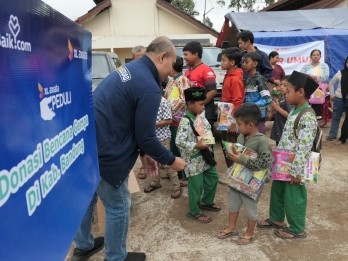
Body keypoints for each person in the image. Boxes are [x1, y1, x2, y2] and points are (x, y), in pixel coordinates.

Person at [71, 36, 186, 261]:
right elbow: (146, 136)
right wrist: (172, 160)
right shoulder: (150, 88)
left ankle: (83, 246)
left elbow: (132, 121)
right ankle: (115, 257)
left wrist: (144, 155)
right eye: (171, 66)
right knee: (118, 205)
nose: (171, 72)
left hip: (88, 144)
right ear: (162, 57)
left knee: (88, 196)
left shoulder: (130, 69)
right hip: (108, 151)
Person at [258, 70, 318, 240]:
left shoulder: (307, 115)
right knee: (278, 191)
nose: (285, 92)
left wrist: (297, 172)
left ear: (301, 92)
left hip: (294, 166)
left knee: (294, 196)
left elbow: (304, 147)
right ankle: (276, 219)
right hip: (283, 162)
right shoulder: (295, 110)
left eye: (289, 90)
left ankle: (297, 228)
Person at [216, 103, 273, 244]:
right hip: (237, 178)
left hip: (251, 183)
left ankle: (250, 232)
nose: (237, 126)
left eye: (239, 124)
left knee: (250, 207)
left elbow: (266, 162)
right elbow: (241, 153)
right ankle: (231, 227)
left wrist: (242, 159)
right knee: (233, 202)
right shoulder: (242, 136)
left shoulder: (262, 141)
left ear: (250, 125)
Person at [176, 87, 221, 224]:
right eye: (200, 104)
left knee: (213, 177)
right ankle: (194, 211)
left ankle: (206, 201)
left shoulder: (200, 116)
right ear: (190, 104)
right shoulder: (185, 121)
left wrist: (208, 144)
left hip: (205, 157)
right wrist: (196, 145)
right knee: (196, 186)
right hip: (192, 160)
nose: (203, 106)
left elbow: (208, 131)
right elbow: (179, 141)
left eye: (204, 103)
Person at [143, 96, 182, 198]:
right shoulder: (146, 100)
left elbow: (169, 120)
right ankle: (155, 183)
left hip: (162, 138)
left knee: (167, 163)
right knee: (151, 162)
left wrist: (152, 124)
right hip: (150, 138)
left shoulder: (163, 102)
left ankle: (176, 187)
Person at [164, 56, 191, 187]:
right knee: (173, 147)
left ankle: (184, 175)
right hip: (171, 120)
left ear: (173, 68)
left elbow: (183, 99)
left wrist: (169, 110)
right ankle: (176, 172)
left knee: (179, 147)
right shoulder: (171, 80)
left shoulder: (183, 80)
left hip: (178, 120)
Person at [183, 41, 217, 132]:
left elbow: (213, 91)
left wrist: (199, 106)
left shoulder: (206, 70)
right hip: (192, 114)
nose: (184, 58)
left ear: (195, 54)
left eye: (186, 55)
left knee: (206, 142)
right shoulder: (187, 72)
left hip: (205, 113)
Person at [219, 47, 244, 167]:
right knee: (226, 145)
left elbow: (238, 101)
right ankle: (231, 172)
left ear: (232, 63)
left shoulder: (235, 79)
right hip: (225, 115)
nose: (221, 63)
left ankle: (235, 173)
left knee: (232, 146)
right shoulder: (229, 75)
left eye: (223, 60)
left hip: (231, 118)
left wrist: (234, 122)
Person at [242, 52, 272, 134]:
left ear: (255, 64)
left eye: (247, 62)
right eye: (243, 62)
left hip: (258, 117)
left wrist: (252, 105)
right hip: (249, 115)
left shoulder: (259, 79)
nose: (244, 64)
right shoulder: (247, 79)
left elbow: (268, 99)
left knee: (259, 140)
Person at [300, 49, 330, 120]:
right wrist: (309, 77)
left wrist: (315, 77)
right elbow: (302, 75)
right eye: (314, 55)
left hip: (319, 90)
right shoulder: (306, 66)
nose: (315, 56)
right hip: (308, 89)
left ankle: (317, 126)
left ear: (320, 56)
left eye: (317, 55)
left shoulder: (324, 66)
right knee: (307, 109)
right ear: (310, 57)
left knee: (318, 111)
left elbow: (326, 76)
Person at [327, 57, 348, 142]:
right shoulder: (340, 73)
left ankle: (344, 136)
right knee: (336, 117)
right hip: (339, 98)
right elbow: (331, 83)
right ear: (345, 63)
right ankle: (332, 135)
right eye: (347, 62)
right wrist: (332, 95)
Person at [270, 76, 293, 145]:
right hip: (279, 129)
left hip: (284, 131)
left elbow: (290, 115)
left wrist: (277, 107)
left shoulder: (289, 99)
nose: (281, 87)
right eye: (280, 84)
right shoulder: (282, 97)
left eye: (285, 85)